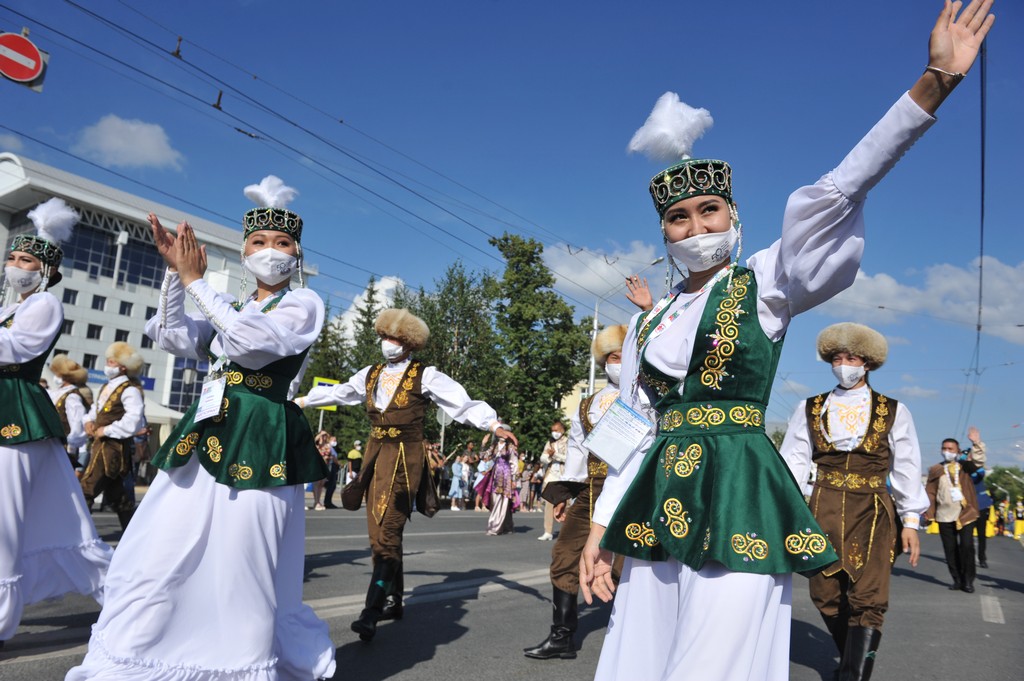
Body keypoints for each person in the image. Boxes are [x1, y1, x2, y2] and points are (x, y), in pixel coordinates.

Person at [579, 5, 995, 680]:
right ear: (664, 235)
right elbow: (630, 428)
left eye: (708, 210)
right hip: (657, 501)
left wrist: (932, 86)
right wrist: (601, 530)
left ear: (732, 217)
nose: (694, 227)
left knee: (709, 668)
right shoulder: (648, 326)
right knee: (637, 664)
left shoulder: (764, 283)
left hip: (742, 492)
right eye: (678, 219)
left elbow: (838, 190)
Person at [67, 175, 336, 680]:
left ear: (296, 254)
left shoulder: (304, 304)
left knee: (241, 559)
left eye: (282, 244)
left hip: (259, 434)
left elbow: (252, 344)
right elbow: (171, 335)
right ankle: (151, 647)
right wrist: (175, 275)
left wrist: (196, 283)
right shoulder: (233, 306)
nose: (270, 251)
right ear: (244, 249)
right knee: (159, 543)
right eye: (259, 242)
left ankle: (239, 661)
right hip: (207, 430)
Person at [296, 307, 517, 642]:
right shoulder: (369, 374)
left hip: (404, 459)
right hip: (374, 457)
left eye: (395, 338)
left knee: (388, 531)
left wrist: (493, 423)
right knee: (378, 534)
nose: (388, 343)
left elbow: (461, 402)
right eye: (384, 336)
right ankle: (395, 599)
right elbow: (338, 392)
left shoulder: (425, 375)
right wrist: (299, 401)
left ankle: (371, 611)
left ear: (409, 344)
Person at [780, 323, 929, 680]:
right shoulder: (809, 407)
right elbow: (794, 460)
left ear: (868, 363)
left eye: (852, 357)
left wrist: (911, 522)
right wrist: (787, 509)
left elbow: (907, 466)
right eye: (837, 357)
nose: (844, 364)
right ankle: (851, 662)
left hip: (873, 509)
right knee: (825, 593)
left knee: (869, 597)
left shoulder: (894, 410)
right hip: (822, 505)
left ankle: (853, 676)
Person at [1, 197, 113, 651]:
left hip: (16, 414)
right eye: (11, 257)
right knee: (60, 523)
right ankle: (125, 589)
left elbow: (16, 350)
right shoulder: (9, 309)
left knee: (6, 520)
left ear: (45, 268)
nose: (14, 265)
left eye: (25, 258)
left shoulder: (44, 305)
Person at [525, 324, 627, 660]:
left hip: (634, 491)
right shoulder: (587, 405)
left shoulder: (646, 397)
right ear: (604, 361)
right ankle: (562, 637)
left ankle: (634, 639)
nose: (619, 362)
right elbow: (578, 453)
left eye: (626, 356)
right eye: (614, 357)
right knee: (565, 555)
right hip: (593, 490)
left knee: (627, 564)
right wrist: (564, 494)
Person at [80, 342, 147, 532]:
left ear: (122, 366)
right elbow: (95, 411)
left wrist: (107, 430)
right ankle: (132, 535)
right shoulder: (105, 387)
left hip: (113, 447)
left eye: (111, 362)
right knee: (118, 495)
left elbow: (134, 420)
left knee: (88, 487)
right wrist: (89, 422)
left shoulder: (130, 390)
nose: (107, 365)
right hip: (100, 445)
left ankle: (79, 533)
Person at [924, 433, 983, 593]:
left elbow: (978, 461)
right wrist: (928, 512)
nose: (947, 451)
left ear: (957, 451)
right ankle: (957, 579)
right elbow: (930, 492)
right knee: (950, 549)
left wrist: (976, 443)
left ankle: (968, 581)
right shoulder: (936, 470)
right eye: (944, 448)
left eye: (950, 449)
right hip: (944, 515)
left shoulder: (965, 467)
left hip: (965, 515)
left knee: (966, 546)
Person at [49, 353, 90, 469]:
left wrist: (71, 448)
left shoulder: (72, 396)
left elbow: (77, 423)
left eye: (57, 373)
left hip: (62, 447)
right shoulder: (57, 392)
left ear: (65, 376)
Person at [476, 435, 520, 535]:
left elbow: (515, 463)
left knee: (504, 501)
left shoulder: (510, 447)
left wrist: (514, 480)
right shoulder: (494, 445)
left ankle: (494, 527)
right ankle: (506, 525)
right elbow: (483, 456)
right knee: (495, 500)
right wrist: (483, 443)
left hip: (506, 475)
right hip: (495, 476)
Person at [964, 428, 992, 568]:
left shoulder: (979, 469)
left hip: (981, 505)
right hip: (967, 506)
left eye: (971, 456)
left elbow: (979, 466)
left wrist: (977, 444)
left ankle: (982, 558)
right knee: (966, 537)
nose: (969, 458)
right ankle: (966, 557)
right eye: (968, 456)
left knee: (981, 535)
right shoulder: (962, 471)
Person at [538, 420, 568, 540]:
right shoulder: (549, 442)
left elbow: (569, 458)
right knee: (548, 504)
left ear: (562, 430)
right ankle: (548, 531)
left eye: (556, 430)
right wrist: (549, 457)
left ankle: (567, 532)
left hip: (564, 476)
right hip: (550, 476)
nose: (554, 433)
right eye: (552, 430)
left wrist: (555, 455)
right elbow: (543, 457)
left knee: (566, 505)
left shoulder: (568, 442)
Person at [310, 431, 337, 511]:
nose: (324, 437)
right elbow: (315, 440)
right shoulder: (318, 445)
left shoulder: (328, 445)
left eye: (325, 435)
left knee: (321, 484)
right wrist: (321, 434)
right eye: (323, 435)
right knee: (316, 483)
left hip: (326, 466)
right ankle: (316, 501)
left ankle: (318, 501)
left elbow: (332, 454)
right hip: (317, 466)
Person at [323, 434, 342, 508]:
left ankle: (328, 501)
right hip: (330, 466)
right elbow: (333, 458)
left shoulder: (332, 448)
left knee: (332, 485)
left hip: (333, 466)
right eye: (334, 440)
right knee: (331, 485)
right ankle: (327, 502)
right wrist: (339, 463)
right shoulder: (328, 447)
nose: (335, 441)